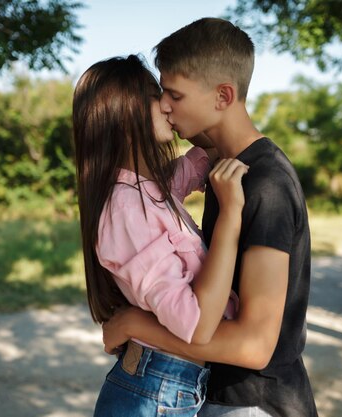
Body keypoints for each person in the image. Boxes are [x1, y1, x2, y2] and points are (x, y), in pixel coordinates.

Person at [102, 18, 318, 417]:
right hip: (217, 396)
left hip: (251, 404)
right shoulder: (224, 172)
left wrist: (135, 325)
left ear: (223, 96)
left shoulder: (263, 184)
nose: (164, 105)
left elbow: (254, 346)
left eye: (174, 95)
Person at [72, 54, 249, 416]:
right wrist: (230, 216)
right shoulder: (124, 207)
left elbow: (201, 159)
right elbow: (196, 324)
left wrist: (206, 114)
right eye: (157, 95)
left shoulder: (148, 190)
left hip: (168, 386)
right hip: (154, 394)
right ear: (126, 114)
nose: (168, 104)